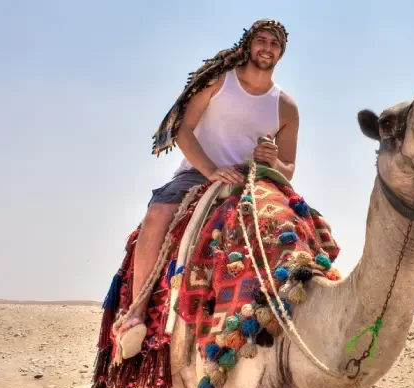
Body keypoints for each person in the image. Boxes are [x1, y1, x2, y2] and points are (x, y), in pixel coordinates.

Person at [116, 19, 299, 358]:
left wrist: (271, 160)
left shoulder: (285, 106)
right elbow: (183, 130)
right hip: (199, 174)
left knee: (298, 228)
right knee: (157, 214)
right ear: (248, 45)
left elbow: (288, 167)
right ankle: (136, 315)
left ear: (281, 53)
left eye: (274, 44)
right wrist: (212, 170)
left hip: (253, 182)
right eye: (261, 41)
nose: (267, 48)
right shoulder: (219, 82)